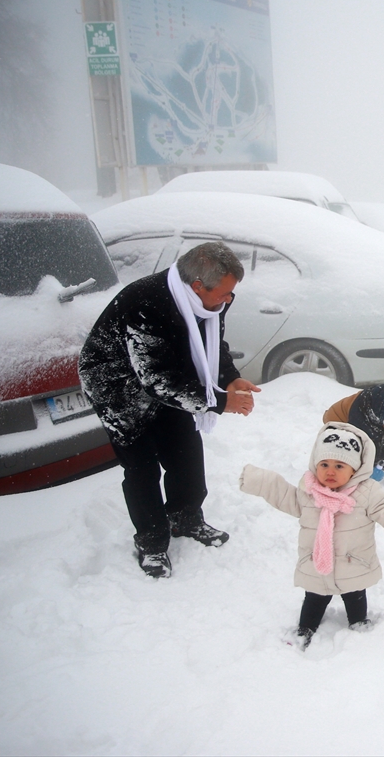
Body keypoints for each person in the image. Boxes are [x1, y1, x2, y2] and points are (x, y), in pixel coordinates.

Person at [79, 242, 260, 579]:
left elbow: (212, 342)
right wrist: (219, 402)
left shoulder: (211, 300)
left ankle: (186, 518)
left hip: (171, 376)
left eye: (231, 295)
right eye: (224, 295)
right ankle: (151, 543)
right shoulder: (146, 302)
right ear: (196, 286)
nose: (228, 301)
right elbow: (155, 380)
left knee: (185, 452)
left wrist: (230, 379)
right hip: (118, 387)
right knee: (142, 466)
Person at [239, 421, 384, 651]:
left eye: (340, 466)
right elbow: (284, 497)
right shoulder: (309, 492)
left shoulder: (367, 493)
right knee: (314, 598)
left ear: (355, 469)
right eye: (324, 464)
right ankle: (305, 629)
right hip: (317, 564)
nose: (330, 471)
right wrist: (261, 481)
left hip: (354, 562)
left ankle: (359, 625)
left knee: (355, 596)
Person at [322, 383, 384, 481]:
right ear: (382, 416)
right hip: (337, 419)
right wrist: (369, 468)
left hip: (377, 418)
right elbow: (365, 444)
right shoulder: (360, 416)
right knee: (361, 443)